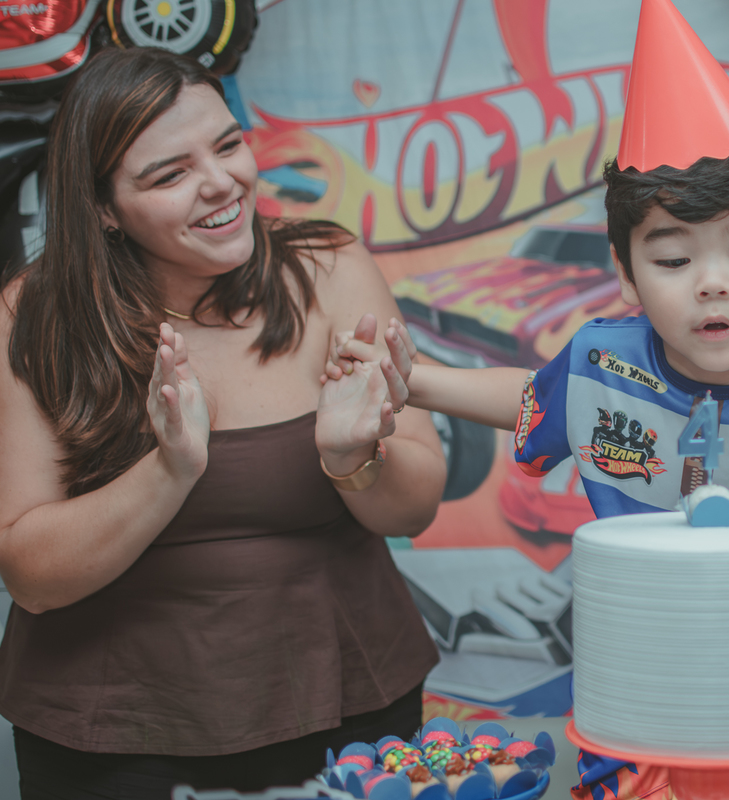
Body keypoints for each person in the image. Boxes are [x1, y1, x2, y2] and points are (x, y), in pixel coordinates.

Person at [329, 1, 729, 796]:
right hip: (629, 684)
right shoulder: (599, 361)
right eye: (672, 259)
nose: (713, 281)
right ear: (626, 277)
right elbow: (530, 399)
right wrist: (413, 380)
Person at [0, 48, 446, 796]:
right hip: (117, 731)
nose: (221, 183)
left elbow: (418, 505)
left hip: (347, 701)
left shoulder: (329, 268)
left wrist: (351, 459)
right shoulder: (33, 313)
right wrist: (169, 469)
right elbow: (32, 577)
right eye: (168, 175)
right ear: (104, 209)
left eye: (229, 144)